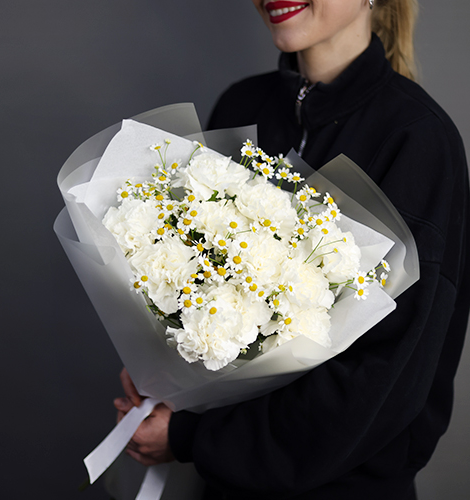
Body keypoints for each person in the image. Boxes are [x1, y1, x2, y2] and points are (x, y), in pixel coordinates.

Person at [113, 0, 470, 498]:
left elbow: (384, 380)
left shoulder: (417, 141)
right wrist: (162, 368)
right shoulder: (241, 107)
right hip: (224, 486)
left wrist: (192, 437)